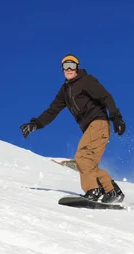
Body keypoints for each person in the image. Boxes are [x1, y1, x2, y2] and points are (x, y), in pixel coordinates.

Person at [20, 54, 126, 203]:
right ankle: (112, 190)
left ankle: (92, 190)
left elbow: (105, 96)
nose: (69, 69)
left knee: (82, 157)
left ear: (77, 67)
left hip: (98, 123)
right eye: (65, 67)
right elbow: (53, 110)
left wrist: (116, 116)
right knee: (88, 164)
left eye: (72, 66)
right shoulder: (65, 91)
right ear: (62, 69)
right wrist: (35, 124)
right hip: (91, 128)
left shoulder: (86, 81)